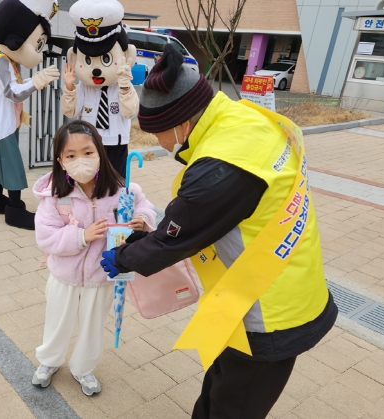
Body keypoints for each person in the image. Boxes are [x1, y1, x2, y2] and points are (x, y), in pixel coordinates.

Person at [100, 44, 338, 419]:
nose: (161, 144)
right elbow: (198, 222)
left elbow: (172, 239)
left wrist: (123, 257)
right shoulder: (244, 119)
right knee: (220, 388)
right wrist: (143, 241)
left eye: (158, 133)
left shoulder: (220, 169)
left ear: (182, 121)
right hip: (282, 286)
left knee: (233, 406)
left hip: (270, 316)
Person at [32, 120, 155, 396]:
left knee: (93, 325)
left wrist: (141, 218)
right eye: (71, 155)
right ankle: (48, 361)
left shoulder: (120, 189)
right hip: (64, 275)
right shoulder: (55, 196)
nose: (81, 161)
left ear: (100, 152)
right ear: (61, 161)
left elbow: (145, 205)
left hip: (102, 276)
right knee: (57, 321)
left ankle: (83, 368)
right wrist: (81, 236)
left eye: (88, 153)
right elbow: (46, 236)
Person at [0, 0, 60, 230]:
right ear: (14, 39)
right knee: (11, 163)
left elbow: (15, 85)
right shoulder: (2, 63)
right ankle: (14, 209)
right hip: (1, 124)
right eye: (38, 45)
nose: (40, 51)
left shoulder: (6, 61)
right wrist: (36, 82)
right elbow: (12, 93)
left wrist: (36, 80)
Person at [61, 0, 139, 178]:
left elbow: (130, 112)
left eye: (106, 60)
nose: (96, 70)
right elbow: (70, 111)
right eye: (87, 61)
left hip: (117, 145)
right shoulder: (84, 87)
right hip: (89, 144)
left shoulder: (123, 85)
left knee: (116, 184)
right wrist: (69, 87)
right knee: (91, 183)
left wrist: (125, 87)